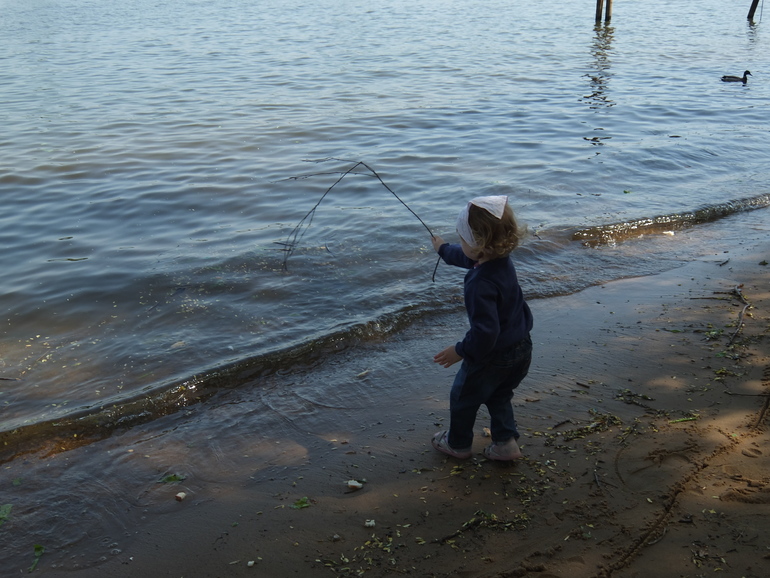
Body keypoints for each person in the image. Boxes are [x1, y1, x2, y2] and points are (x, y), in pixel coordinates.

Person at [430, 195, 533, 461]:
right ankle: (505, 444)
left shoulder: (479, 284)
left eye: (462, 239)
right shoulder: (500, 260)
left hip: (492, 356)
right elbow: (467, 257)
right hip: (521, 348)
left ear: (478, 246)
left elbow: (486, 333)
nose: (460, 244)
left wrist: (461, 351)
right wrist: (443, 249)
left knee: (463, 397)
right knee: (500, 395)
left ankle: (459, 444)